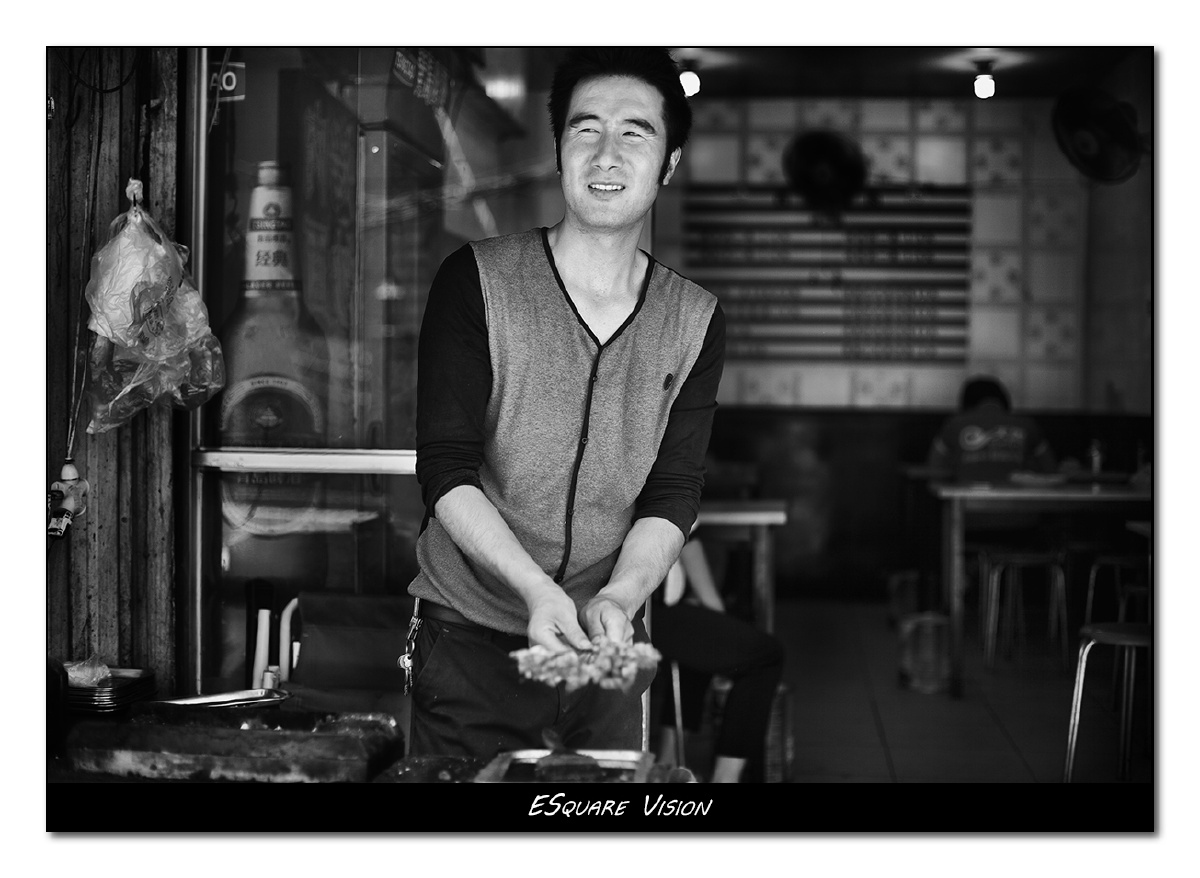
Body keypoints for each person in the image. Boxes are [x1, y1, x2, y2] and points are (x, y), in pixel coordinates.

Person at [405, 47, 726, 762]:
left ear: (669, 163)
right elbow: (446, 468)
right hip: (468, 641)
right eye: (586, 129)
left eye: (635, 133)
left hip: (607, 649)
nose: (606, 154)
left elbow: (673, 491)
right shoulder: (477, 281)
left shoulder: (695, 320)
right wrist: (534, 592)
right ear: (558, 151)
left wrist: (621, 597)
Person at [652, 535, 785, 783]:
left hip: (635, 607)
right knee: (767, 656)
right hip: (645, 611)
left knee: (700, 639)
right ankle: (725, 780)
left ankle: (667, 766)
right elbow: (685, 538)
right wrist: (715, 609)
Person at [927, 375, 1056, 483]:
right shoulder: (1028, 425)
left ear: (966, 401)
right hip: (1019, 503)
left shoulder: (954, 424)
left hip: (966, 502)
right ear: (1003, 398)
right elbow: (1050, 470)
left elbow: (935, 470)